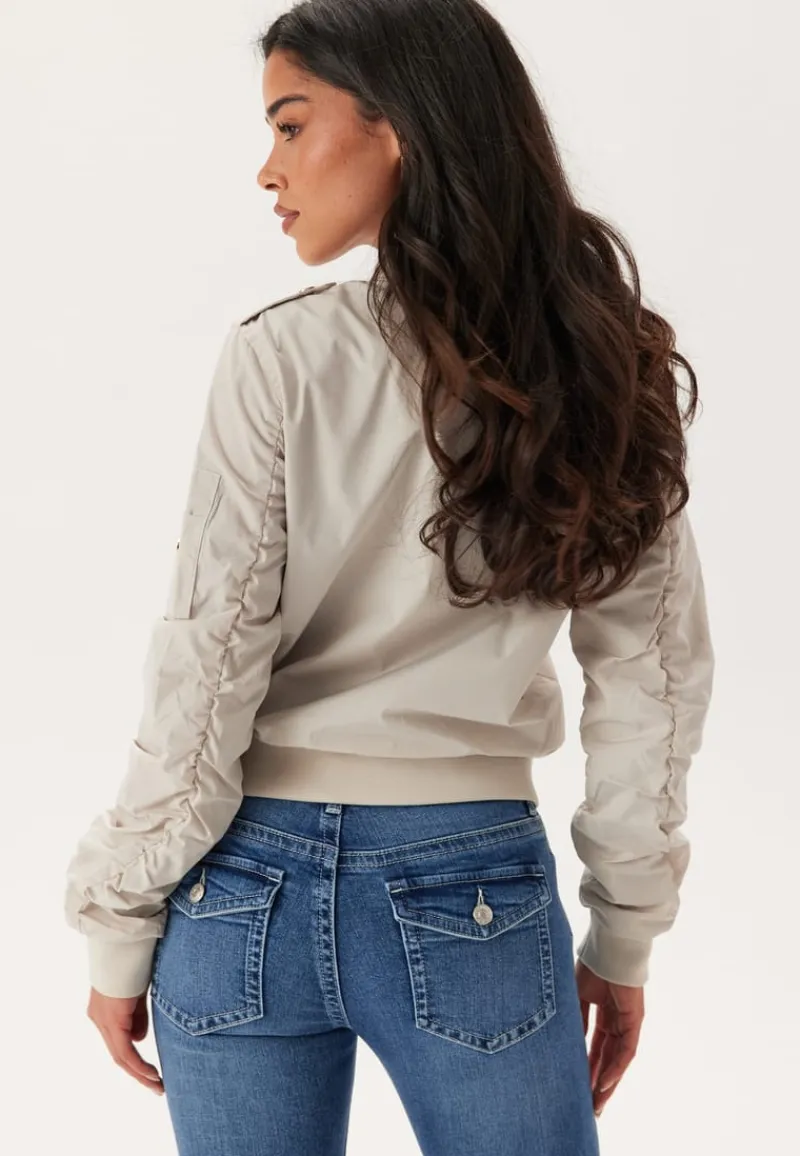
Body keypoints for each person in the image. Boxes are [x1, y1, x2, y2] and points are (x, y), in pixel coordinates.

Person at [63, 1, 715, 1152]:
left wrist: (119, 920)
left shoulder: (279, 357)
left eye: (290, 124)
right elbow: (650, 676)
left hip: (236, 886)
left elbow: (207, 664)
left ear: (397, 128)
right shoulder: (596, 362)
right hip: (470, 888)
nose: (267, 169)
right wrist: (623, 931)